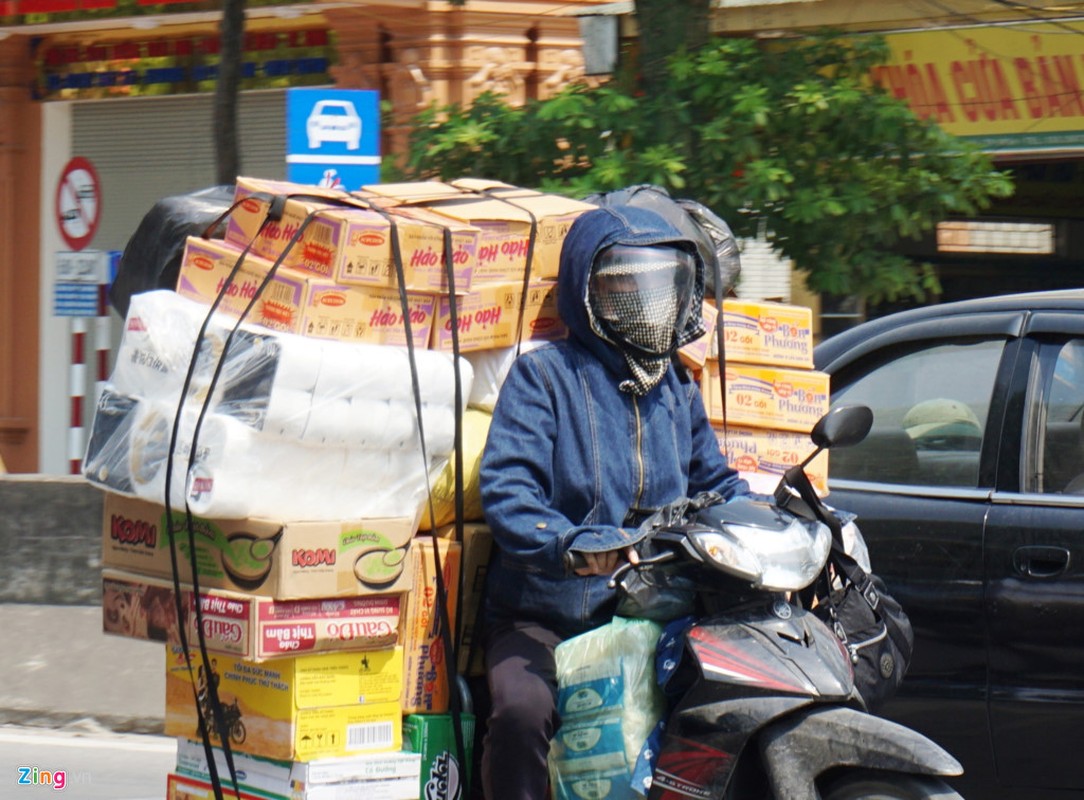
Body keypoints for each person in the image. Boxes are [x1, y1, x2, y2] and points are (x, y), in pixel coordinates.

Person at [478, 204, 753, 799]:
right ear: (588, 294)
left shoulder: (678, 388)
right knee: (520, 713)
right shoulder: (543, 378)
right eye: (626, 288)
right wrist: (577, 547)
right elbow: (508, 489)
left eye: (660, 289)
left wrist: (768, 517)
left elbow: (716, 482)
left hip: (654, 612)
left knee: (730, 707)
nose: (646, 304)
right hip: (545, 612)